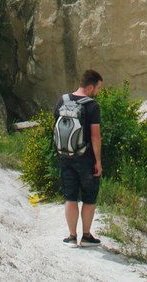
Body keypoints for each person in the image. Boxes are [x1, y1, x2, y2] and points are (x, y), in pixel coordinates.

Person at [55, 69, 103, 247]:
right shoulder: (92, 106)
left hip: (65, 156)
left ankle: (71, 236)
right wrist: (98, 161)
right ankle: (87, 236)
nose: (98, 92)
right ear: (90, 87)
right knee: (89, 198)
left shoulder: (63, 100)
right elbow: (95, 136)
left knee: (70, 197)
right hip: (86, 158)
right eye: (98, 88)